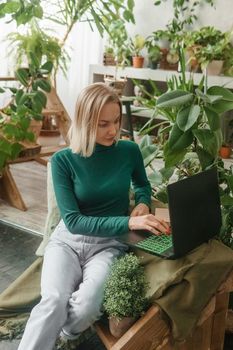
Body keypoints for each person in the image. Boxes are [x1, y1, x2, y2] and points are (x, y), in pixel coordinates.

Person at [18, 82, 170, 350]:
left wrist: (143, 203)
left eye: (117, 121)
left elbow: (143, 186)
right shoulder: (63, 161)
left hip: (109, 244)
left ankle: (66, 332)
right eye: (103, 124)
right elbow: (74, 221)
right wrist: (131, 221)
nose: (113, 130)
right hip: (68, 241)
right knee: (52, 300)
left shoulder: (129, 151)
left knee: (88, 306)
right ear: (85, 122)